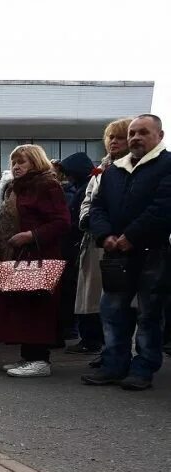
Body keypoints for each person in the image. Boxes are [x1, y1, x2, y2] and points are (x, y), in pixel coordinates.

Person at [84, 114, 171, 390]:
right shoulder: (113, 171)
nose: (135, 137)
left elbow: (162, 208)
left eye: (143, 132)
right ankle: (114, 365)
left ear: (160, 135)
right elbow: (97, 208)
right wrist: (106, 235)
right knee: (112, 310)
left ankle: (143, 368)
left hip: (152, 252)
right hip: (116, 254)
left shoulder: (167, 165)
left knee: (148, 313)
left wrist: (130, 236)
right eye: (132, 133)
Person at [0, 145, 71, 377]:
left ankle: (40, 360)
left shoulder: (47, 185)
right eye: (13, 162)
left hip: (38, 256)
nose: (15, 166)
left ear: (35, 162)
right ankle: (28, 357)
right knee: (23, 306)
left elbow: (62, 221)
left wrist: (31, 235)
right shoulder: (17, 188)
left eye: (21, 162)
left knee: (37, 307)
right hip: (19, 257)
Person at [71, 120, 132, 358]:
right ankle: (108, 352)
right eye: (110, 137)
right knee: (100, 302)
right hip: (97, 240)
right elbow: (89, 201)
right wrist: (91, 223)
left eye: (119, 137)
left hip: (123, 241)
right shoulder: (101, 169)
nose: (113, 142)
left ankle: (120, 354)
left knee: (122, 304)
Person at [54, 152, 97, 348]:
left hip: (77, 245)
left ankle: (89, 337)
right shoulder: (79, 187)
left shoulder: (83, 188)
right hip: (75, 245)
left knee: (81, 291)